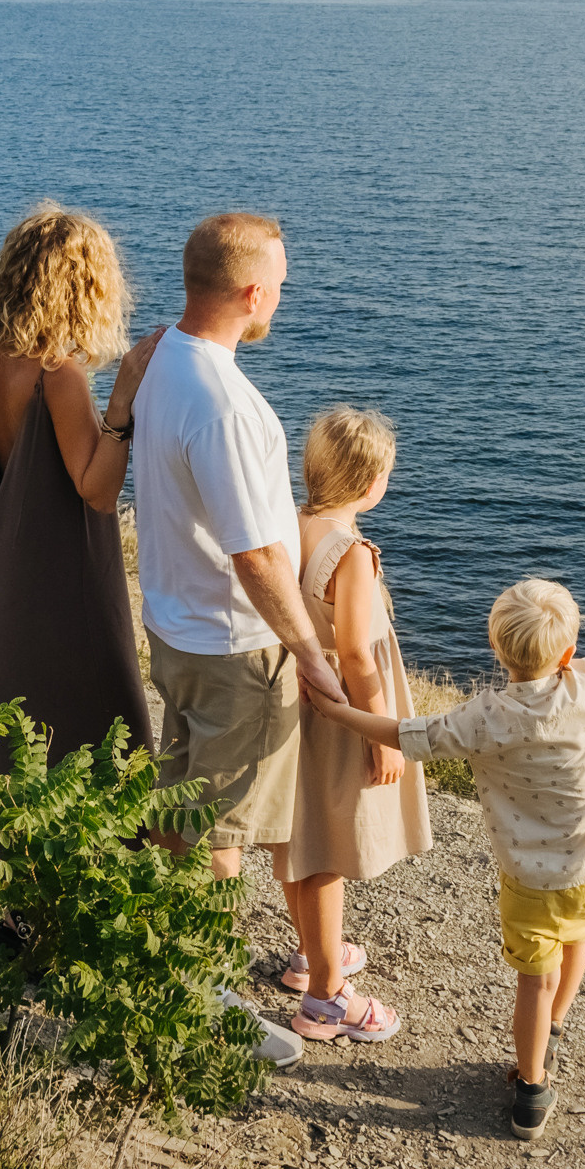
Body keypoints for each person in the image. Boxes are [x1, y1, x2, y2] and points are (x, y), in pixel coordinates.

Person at [302, 568, 585, 1139]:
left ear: (495, 647)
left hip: (529, 881)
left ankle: (531, 1090)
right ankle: (552, 1030)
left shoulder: (483, 718)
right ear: (568, 653)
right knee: (577, 941)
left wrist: (335, 712)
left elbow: (405, 735)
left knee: (534, 980)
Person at [130, 211, 350, 1067]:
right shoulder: (228, 406)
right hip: (235, 649)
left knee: (181, 809)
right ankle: (202, 997)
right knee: (222, 835)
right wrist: (311, 654)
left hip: (178, 630)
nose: (283, 298)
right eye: (281, 285)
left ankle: (155, 957)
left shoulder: (163, 361)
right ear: (253, 293)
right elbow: (256, 556)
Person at [0, 203, 162, 765]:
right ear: (83, 287)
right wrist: (121, 404)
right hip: (60, 582)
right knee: (96, 734)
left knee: (13, 744)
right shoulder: (57, 374)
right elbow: (97, 490)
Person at [275, 406, 428, 1045]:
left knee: (301, 839)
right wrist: (383, 732)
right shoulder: (353, 553)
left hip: (298, 704)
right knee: (331, 850)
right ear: (371, 484)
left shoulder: (293, 525)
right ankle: (325, 999)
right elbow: (359, 653)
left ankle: (313, 953)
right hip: (343, 713)